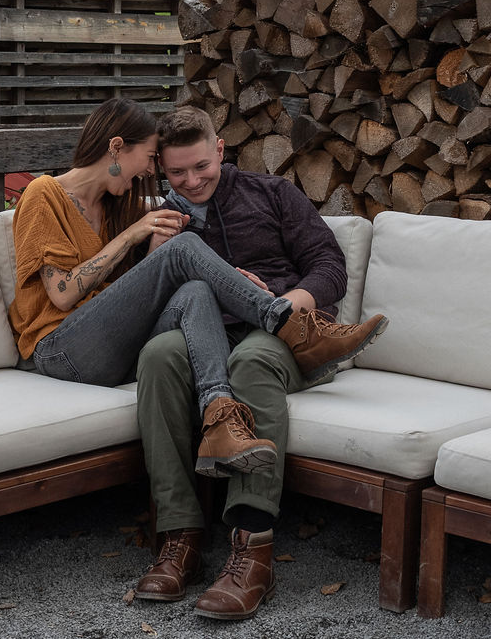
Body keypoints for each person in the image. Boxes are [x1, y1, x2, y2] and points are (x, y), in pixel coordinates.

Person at [8, 98, 386, 482]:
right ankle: (290, 326)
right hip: (60, 349)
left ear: (219, 150)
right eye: (153, 158)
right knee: (184, 249)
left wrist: (155, 255)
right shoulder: (44, 193)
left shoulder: (116, 206)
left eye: (199, 166)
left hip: (110, 348)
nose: (148, 173)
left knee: (196, 288)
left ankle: (219, 417)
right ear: (118, 147)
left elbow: (125, 299)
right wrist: (133, 237)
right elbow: (61, 294)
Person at [133, 106, 388, 620]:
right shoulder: (163, 217)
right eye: (177, 172)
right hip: (208, 334)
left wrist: (286, 301)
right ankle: (179, 536)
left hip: (283, 334)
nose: (191, 180)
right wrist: (154, 257)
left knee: (251, 360)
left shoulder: (273, 193)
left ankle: (253, 550)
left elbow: (329, 266)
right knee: (158, 355)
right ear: (162, 167)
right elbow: (150, 309)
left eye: (200, 166)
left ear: (220, 149)